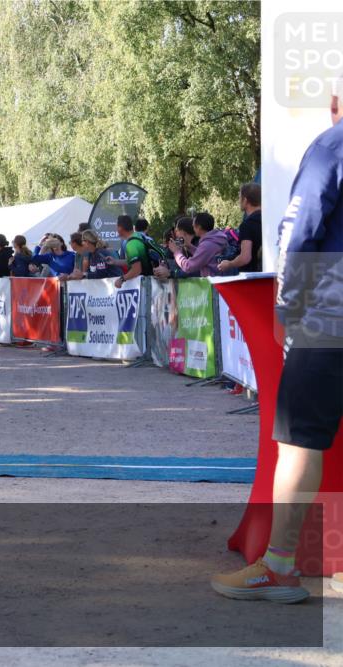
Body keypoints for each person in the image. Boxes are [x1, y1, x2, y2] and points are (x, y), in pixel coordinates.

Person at [211, 78, 343, 604]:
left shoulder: (332, 145)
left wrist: (286, 308)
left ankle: (280, 568)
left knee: (298, 442)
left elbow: (299, 229)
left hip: (329, 316)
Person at [218, 182, 263, 274]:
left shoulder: (247, 225)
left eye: (240, 198)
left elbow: (245, 257)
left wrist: (229, 264)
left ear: (245, 200)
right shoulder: (268, 220)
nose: (239, 201)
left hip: (252, 277)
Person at [166, 212, 227, 278]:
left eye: (194, 226)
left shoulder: (207, 245)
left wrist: (176, 252)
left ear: (199, 227)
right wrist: (189, 246)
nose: (192, 228)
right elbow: (205, 256)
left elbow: (188, 267)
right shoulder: (214, 239)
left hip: (214, 284)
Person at [113, 215, 153, 288]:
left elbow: (137, 269)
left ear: (120, 228)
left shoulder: (131, 244)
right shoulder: (138, 236)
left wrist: (121, 279)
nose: (116, 229)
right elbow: (134, 261)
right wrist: (115, 261)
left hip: (145, 285)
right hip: (151, 281)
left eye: (117, 227)